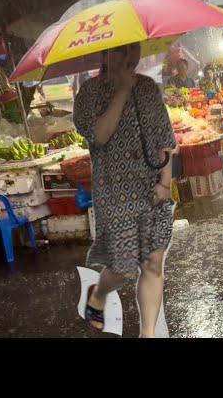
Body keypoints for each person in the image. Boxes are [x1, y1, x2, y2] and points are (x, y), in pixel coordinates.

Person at [74, 42, 178, 337]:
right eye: (119, 50)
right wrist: (121, 91)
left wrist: (165, 183)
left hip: (151, 189)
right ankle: (98, 294)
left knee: (153, 263)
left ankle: (148, 334)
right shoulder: (88, 94)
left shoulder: (147, 88)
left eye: (133, 48)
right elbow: (101, 135)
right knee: (123, 269)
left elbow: (164, 139)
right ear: (105, 54)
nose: (129, 56)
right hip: (114, 193)